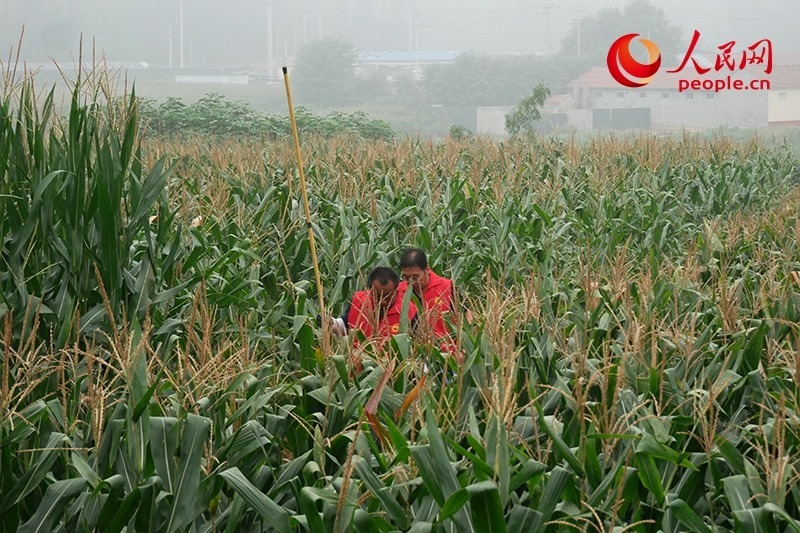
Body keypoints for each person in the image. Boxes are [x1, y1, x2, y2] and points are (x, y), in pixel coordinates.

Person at [397, 248, 470, 356]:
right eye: (406, 277)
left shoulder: (446, 287)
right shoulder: (398, 292)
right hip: (415, 355)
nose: (411, 282)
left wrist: (465, 345)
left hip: (449, 353)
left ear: (427, 269)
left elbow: (467, 314)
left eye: (415, 277)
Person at [330, 266, 417, 345]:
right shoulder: (359, 300)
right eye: (378, 296)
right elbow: (345, 325)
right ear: (370, 290)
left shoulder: (409, 311)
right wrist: (330, 323)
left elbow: (417, 343)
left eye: (388, 297)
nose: (383, 301)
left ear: (396, 290)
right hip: (358, 356)